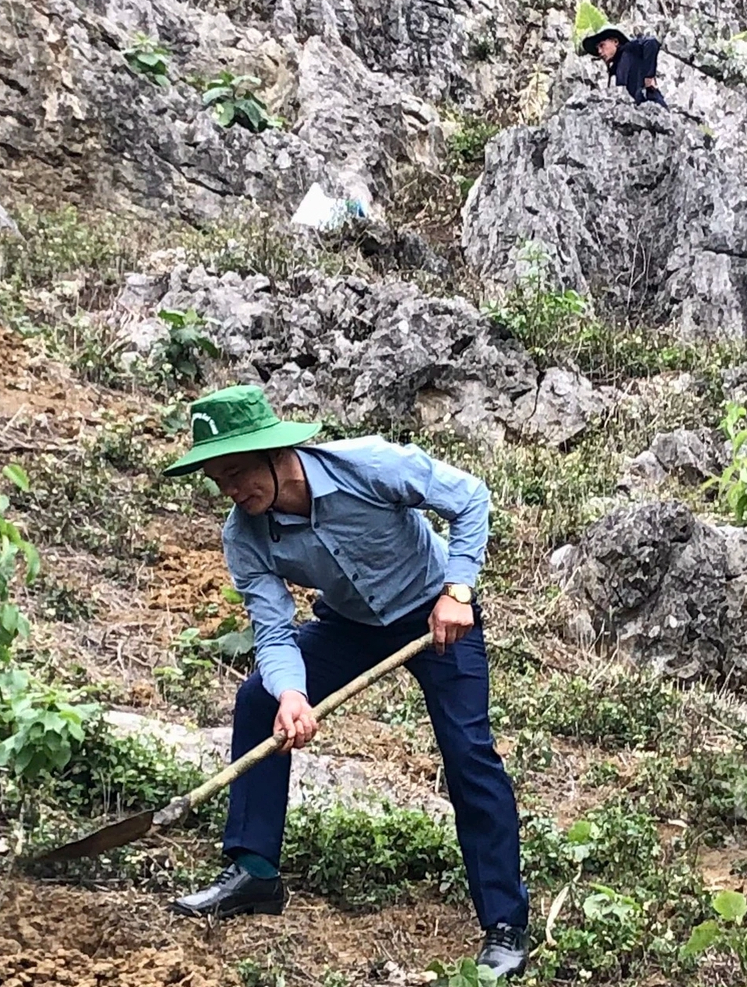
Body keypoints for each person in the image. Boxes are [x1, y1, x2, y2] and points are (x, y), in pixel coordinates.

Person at [162, 385, 530, 978]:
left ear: (275, 453)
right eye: (218, 481)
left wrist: (458, 591)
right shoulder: (244, 535)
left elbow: (469, 498)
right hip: (351, 626)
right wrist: (291, 694)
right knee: (258, 697)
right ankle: (255, 872)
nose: (231, 492)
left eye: (236, 474)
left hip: (438, 618)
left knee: (469, 755)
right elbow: (275, 631)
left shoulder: (370, 465)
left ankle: (505, 923)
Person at [580, 21, 666, 106]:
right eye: (597, 48)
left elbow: (651, 43)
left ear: (615, 42)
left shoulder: (630, 49)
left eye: (602, 45)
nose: (599, 51)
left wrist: (648, 77)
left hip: (650, 101)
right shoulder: (615, 68)